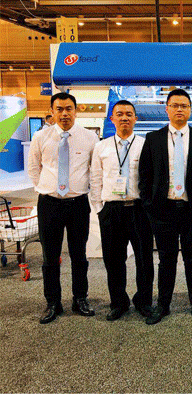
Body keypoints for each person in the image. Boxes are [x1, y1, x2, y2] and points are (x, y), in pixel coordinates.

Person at [139, 89, 192, 325]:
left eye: (184, 105)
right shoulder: (153, 139)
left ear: (190, 110)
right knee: (166, 259)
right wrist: (150, 206)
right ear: (167, 109)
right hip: (163, 210)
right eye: (175, 105)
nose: (179, 109)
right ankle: (163, 305)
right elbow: (145, 175)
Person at [28, 92, 99, 324]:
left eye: (69, 109)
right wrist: (45, 188)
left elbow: (94, 170)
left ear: (76, 111)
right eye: (59, 109)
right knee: (50, 256)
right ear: (52, 111)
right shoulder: (41, 137)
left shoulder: (89, 137)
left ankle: (80, 298)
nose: (64, 113)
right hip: (49, 204)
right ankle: (52, 302)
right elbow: (33, 168)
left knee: (79, 255)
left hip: (78, 204)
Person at [90, 100, 154, 321]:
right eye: (120, 114)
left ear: (136, 118)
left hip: (139, 210)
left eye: (129, 114)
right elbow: (95, 179)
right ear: (112, 119)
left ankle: (144, 301)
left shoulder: (145, 145)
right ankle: (118, 302)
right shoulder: (101, 147)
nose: (124, 117)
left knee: (144, 259)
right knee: (114, 260)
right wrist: (99, 209)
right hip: (111, 211)